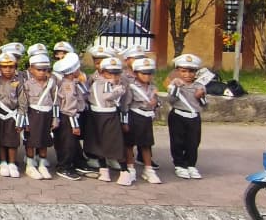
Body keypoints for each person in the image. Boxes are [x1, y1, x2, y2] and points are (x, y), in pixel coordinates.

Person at [88, 56, 129, 183]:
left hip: (110, 115)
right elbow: (107, 97)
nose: (114, 76)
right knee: (98, 143)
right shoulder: (102, 83)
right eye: (110, 73)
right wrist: (118, 91)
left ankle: (124, 171)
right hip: (96, 115)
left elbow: (124, 105)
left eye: (117, 73)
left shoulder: (118, 84)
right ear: (103, 72)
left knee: (115, 143)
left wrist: (124, 120)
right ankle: (103, 170)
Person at [167, 53, 208, 180]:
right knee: (178, 141)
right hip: (178, 115)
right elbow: (171, 100)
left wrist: (200, 96)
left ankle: (190, 164)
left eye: (191, 71)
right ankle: (179, 165)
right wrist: (176, 88)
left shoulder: (199, 86)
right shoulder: (174, 84)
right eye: (183, 71)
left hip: (194, 117)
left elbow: (205, 105)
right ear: (177, 71)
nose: (187, 75)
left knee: (193, 142)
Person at [124, 57, 162, 185]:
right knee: (129, 144)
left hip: (146, 118)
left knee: (146, 144)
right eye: (143, 73)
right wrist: (124, 122)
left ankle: (148, 169)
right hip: (134, 116)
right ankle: (130, 168)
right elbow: (126, 105)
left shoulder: (153, 88)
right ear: (135, 73)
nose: (147, 76)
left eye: (150, 73)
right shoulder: (132, 87)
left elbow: (157, 103)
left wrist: (156, 103)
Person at [19, 51, 57, 180]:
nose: (42, 72)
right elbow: (23, 104)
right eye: (38, 69)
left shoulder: (52, 83)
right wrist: (24, 122)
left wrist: (55, 118)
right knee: (30, 141)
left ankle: (42, 164)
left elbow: (55, 101)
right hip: (33, 114)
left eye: (45, 69)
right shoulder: (27, 84)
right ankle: (30, 165)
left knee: (44, 141)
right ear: (31, 69)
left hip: (47, 114)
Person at [52, 52, 86, 181]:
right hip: (69, 118)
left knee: (72, 143)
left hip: (68, 116)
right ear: (72, 72)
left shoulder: (69, 82)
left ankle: (76, 163)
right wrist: (75, 125)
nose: (79, 71)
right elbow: (70, 108)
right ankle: (64, 167)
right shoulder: (68, 86)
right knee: (68, 144)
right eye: (77, 69)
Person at [0, 52, 24, 179]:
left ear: (15, 67)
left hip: (13, 115)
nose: (8, 70)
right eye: (4, 67)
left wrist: (20, 120)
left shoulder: (18, 82)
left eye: (11, 67)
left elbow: (22, 102)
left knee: (12, 142)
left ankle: (12, 163)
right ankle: (3, 162)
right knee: (0, 140)